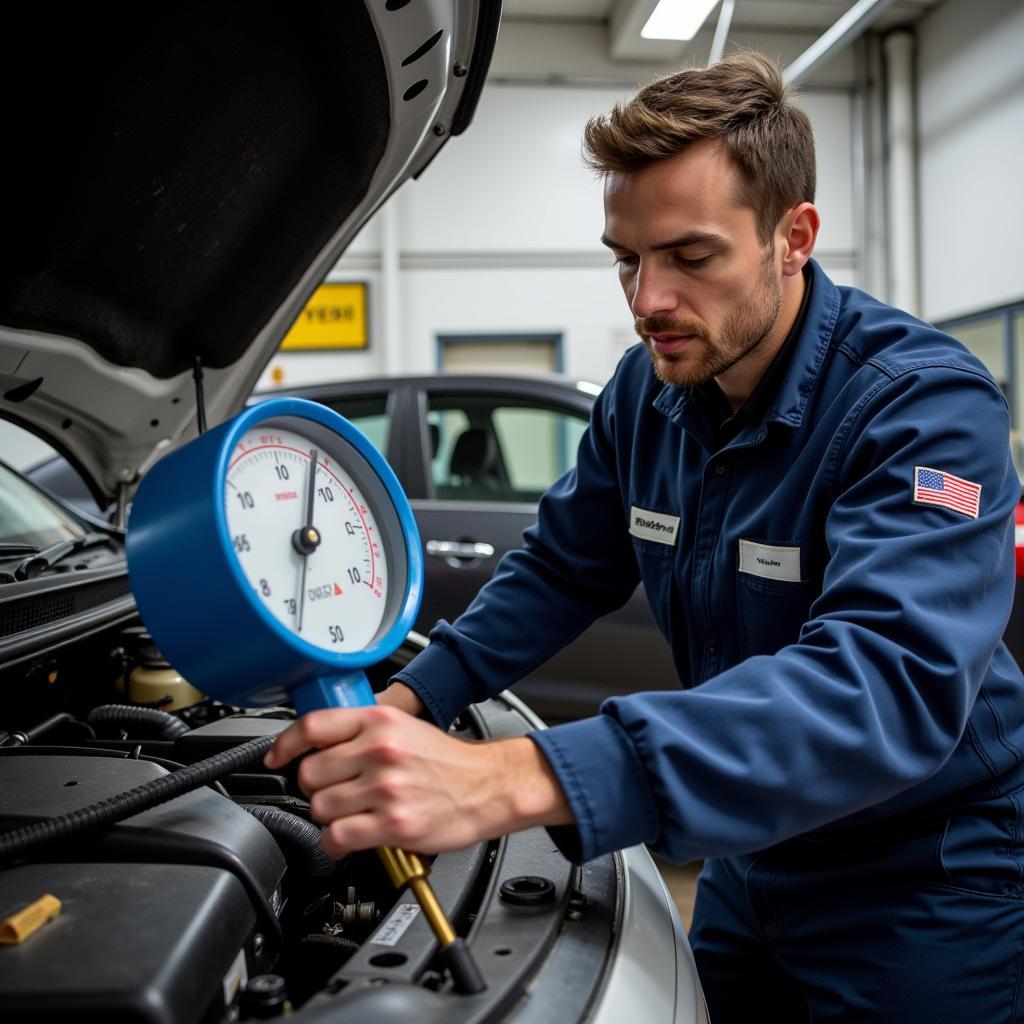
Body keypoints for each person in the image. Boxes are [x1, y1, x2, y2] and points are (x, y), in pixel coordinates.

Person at [265, 53, 1024, 1020]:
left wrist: (515, 777)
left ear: (794, 238)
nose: (646, 300)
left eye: (690, 257)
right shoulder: (647, 391)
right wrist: (417, 696)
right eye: (627, 258)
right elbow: (561, 567)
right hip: (747, 852)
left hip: (923, 874)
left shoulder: (923, 407)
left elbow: (885, 680)